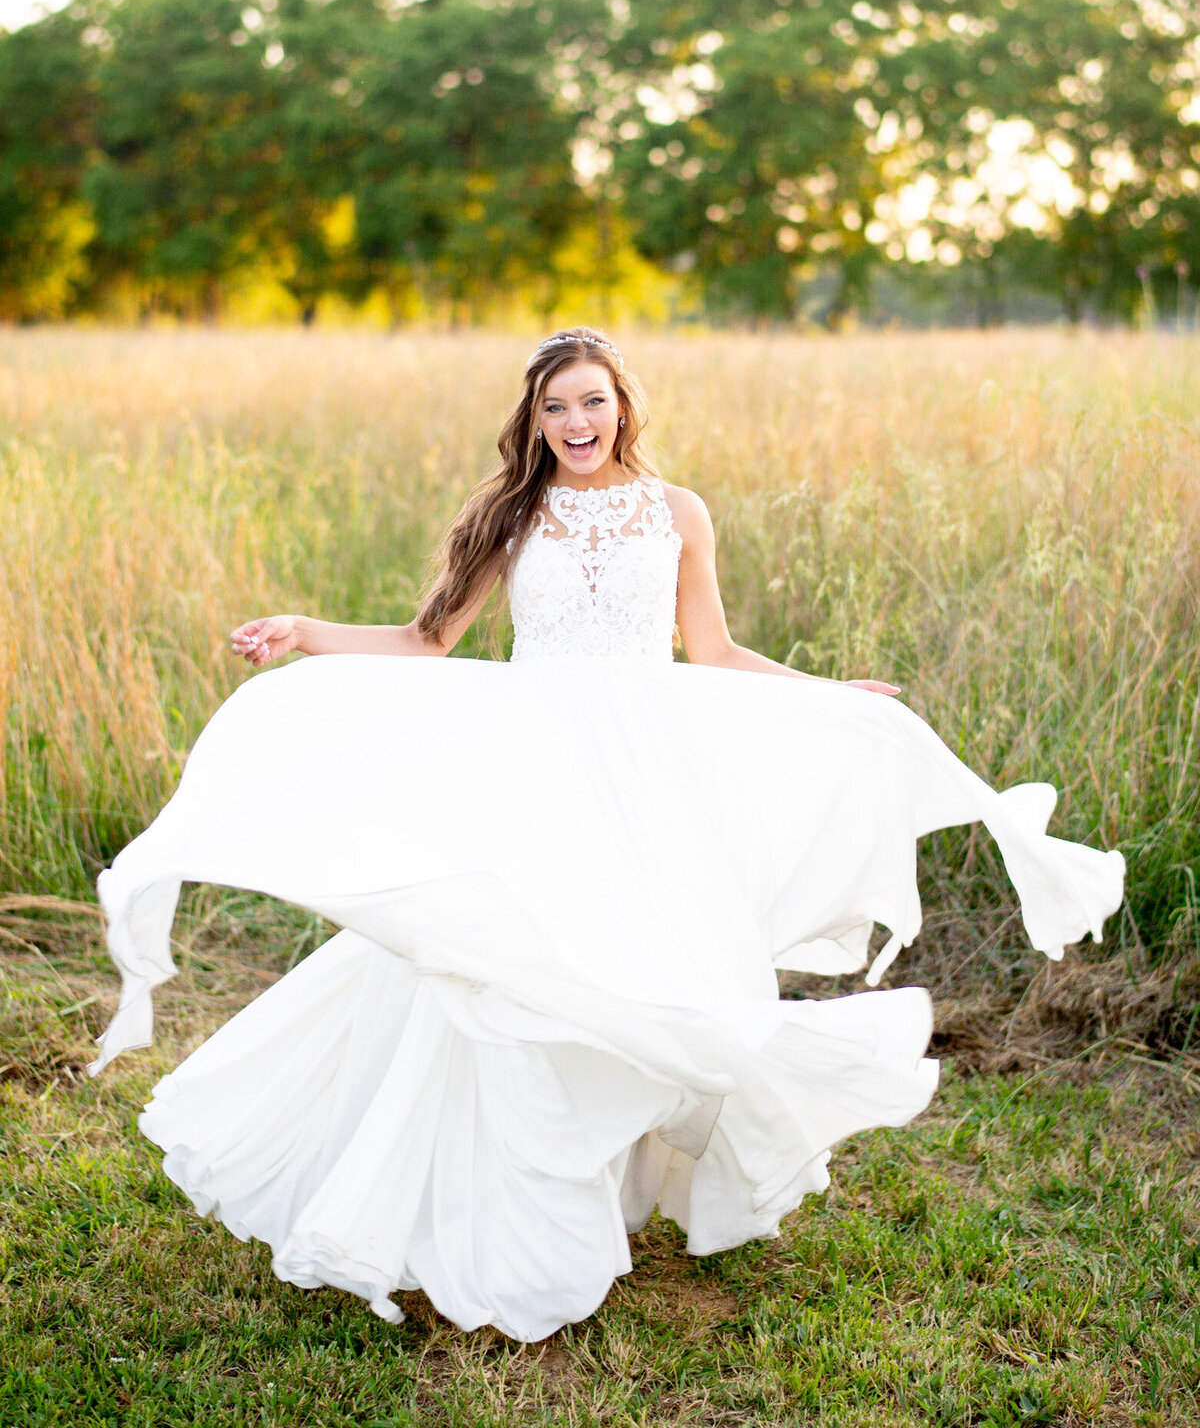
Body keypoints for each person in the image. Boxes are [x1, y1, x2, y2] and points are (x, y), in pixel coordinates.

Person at [88, 326, 1125, 1343]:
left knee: (636, 967)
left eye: (592, 400)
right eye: (554, 405)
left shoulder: (678, 512)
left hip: (642, 776)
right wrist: (305, 632)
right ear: (532, 422)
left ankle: (609, 1181)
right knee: (513, 973)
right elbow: (426, 641)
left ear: (623, 404)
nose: (576, 420)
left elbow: (710, 651)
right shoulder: (511, 514)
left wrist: (826, 696)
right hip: (533, 768)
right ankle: (487, 1211)